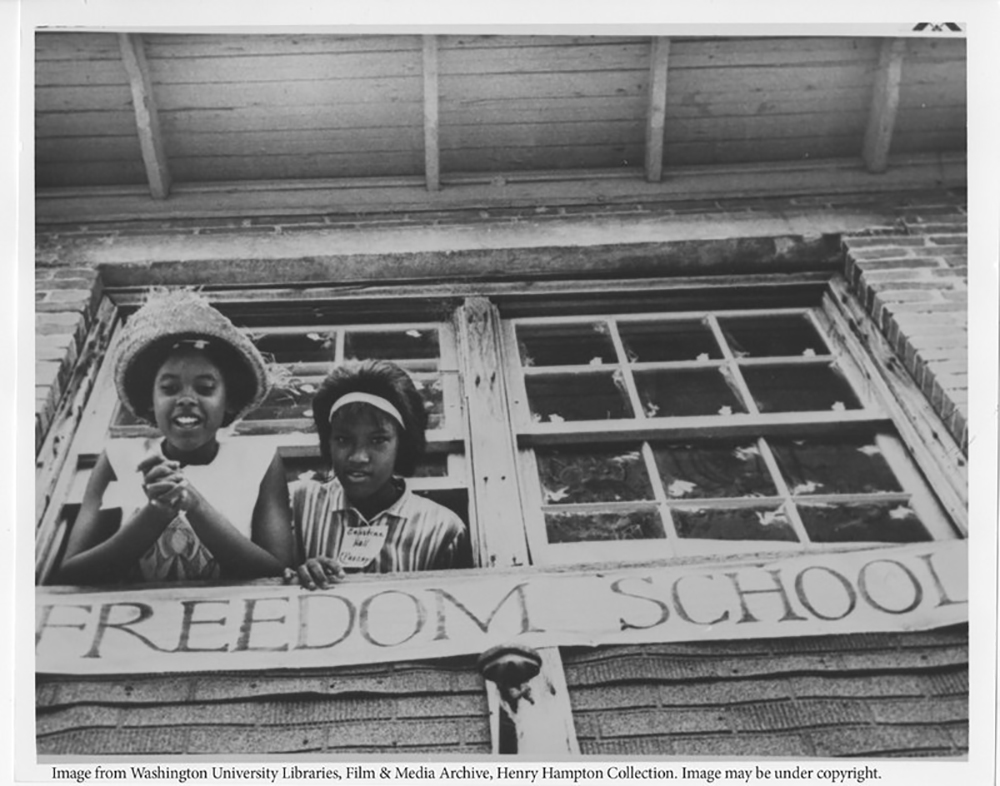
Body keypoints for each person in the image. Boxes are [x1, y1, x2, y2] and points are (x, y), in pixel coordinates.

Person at [56, 289, 294, 585]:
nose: (186, 399)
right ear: (149, 401)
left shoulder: (258, 460)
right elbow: (71, 573)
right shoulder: (120, 458)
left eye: (205, 388)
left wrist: (194, 505)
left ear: (229, 402)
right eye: (169, 389)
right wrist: (155, 514)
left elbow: (280, 571)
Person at [288, 360, 469, 589]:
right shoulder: (297, 505)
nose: (358, 457)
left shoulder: (442, 529)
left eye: (378, 440)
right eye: (343, 440)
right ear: (328, 441)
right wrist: (298, 576)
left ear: (401, 444)